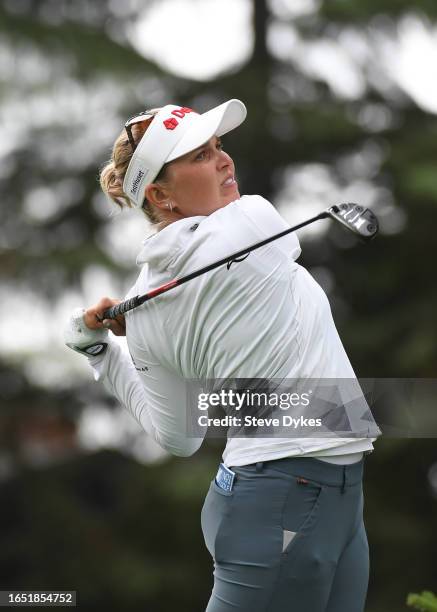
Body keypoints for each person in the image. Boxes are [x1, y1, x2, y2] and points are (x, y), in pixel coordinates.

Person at [64, 99, 381, 611]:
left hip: (325, 495)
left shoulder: (146, 310)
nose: (224, 161)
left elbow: (178, 436)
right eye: (200, 156)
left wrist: (101, 350)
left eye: (218, 147)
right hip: (282, 497)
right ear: (160, 193)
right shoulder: (254, 220)